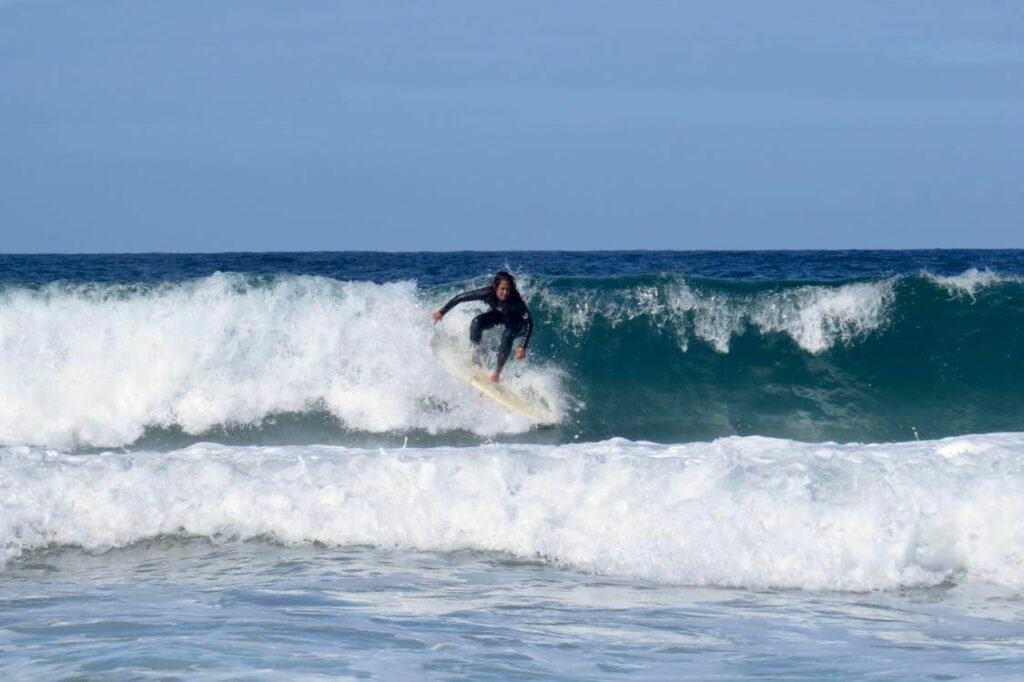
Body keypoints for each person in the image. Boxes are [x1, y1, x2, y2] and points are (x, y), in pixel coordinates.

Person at [432, 271, 533, 382]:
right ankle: (475, 357)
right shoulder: (487, 293)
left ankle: (497, 373)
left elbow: (529, 323)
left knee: (507, 334)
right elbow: (460, 298)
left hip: (516, 322)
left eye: (508, 289)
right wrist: (441, 312)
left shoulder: (516, 301)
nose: (505, 292)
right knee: (476, 322)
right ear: (495, 287)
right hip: (499, 315)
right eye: (502, 289)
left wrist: (523, 346)